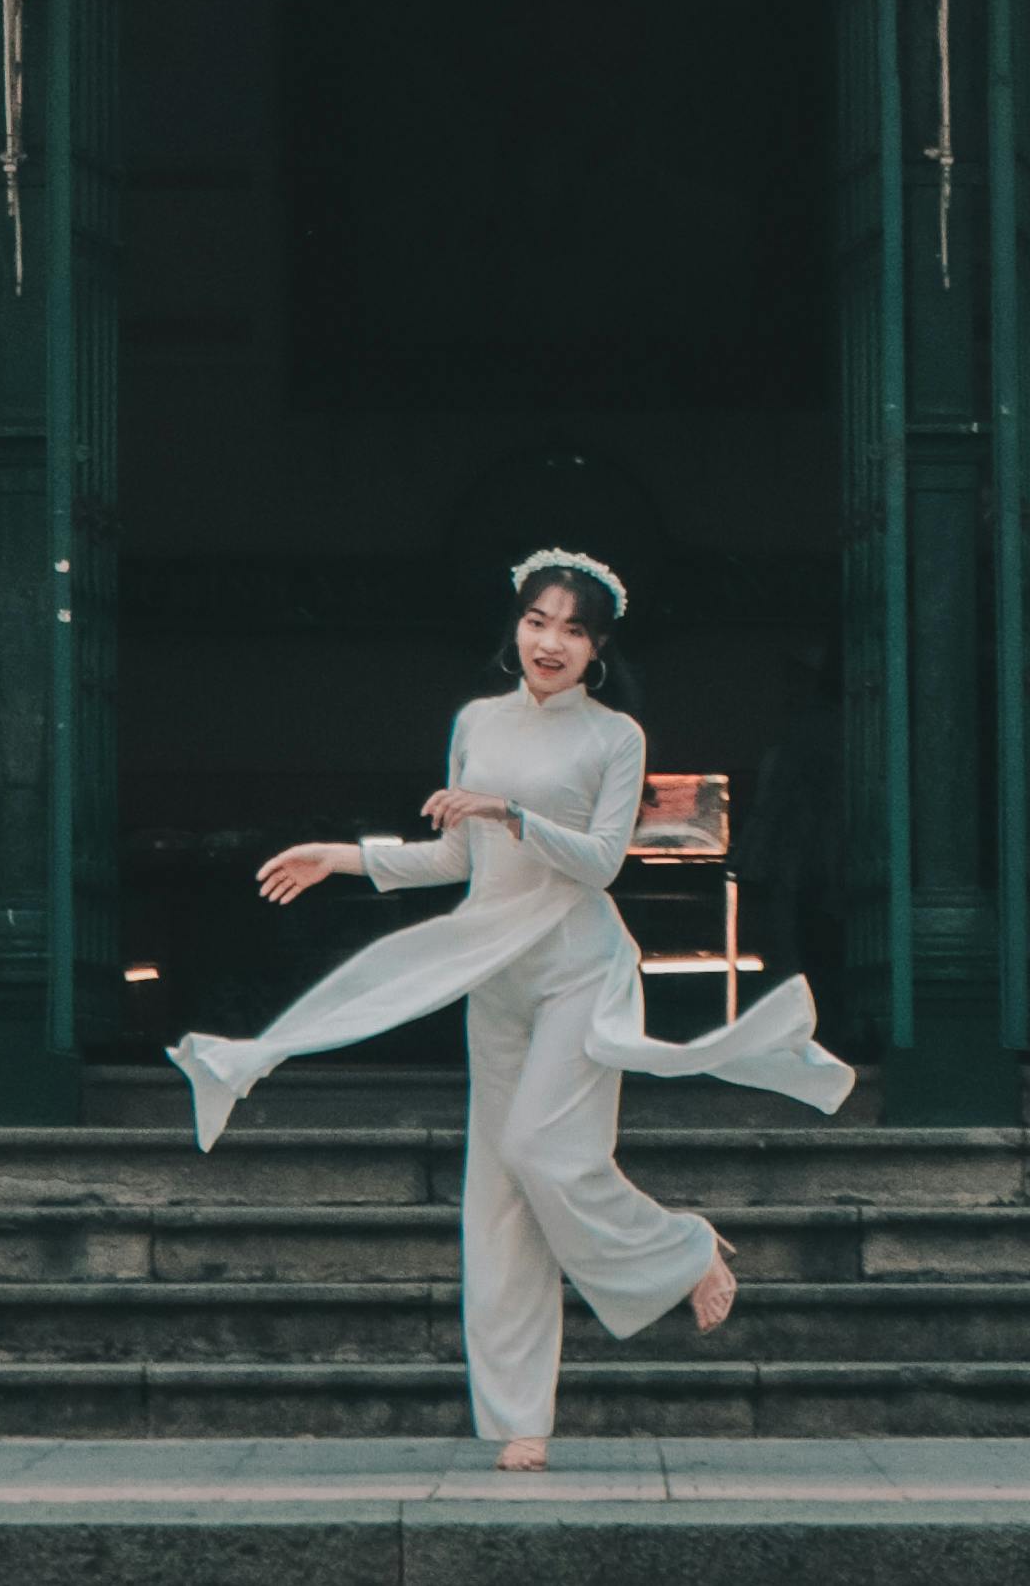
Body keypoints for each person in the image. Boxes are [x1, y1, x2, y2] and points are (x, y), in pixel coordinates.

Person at [169, 548, 852, 1467]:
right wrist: (346, 854)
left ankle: (681, 1248)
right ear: (516, 624)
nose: (550, 641)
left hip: (578, 962)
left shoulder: (614, 737)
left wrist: (510, 811)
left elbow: (604, 859)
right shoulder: (477, 720)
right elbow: (458, 860)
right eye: (537, 620)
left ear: (598, 646)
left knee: (543, 1147)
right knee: (496, 1197)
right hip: (495, 968)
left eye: (572, 628)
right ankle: (517, 1421)